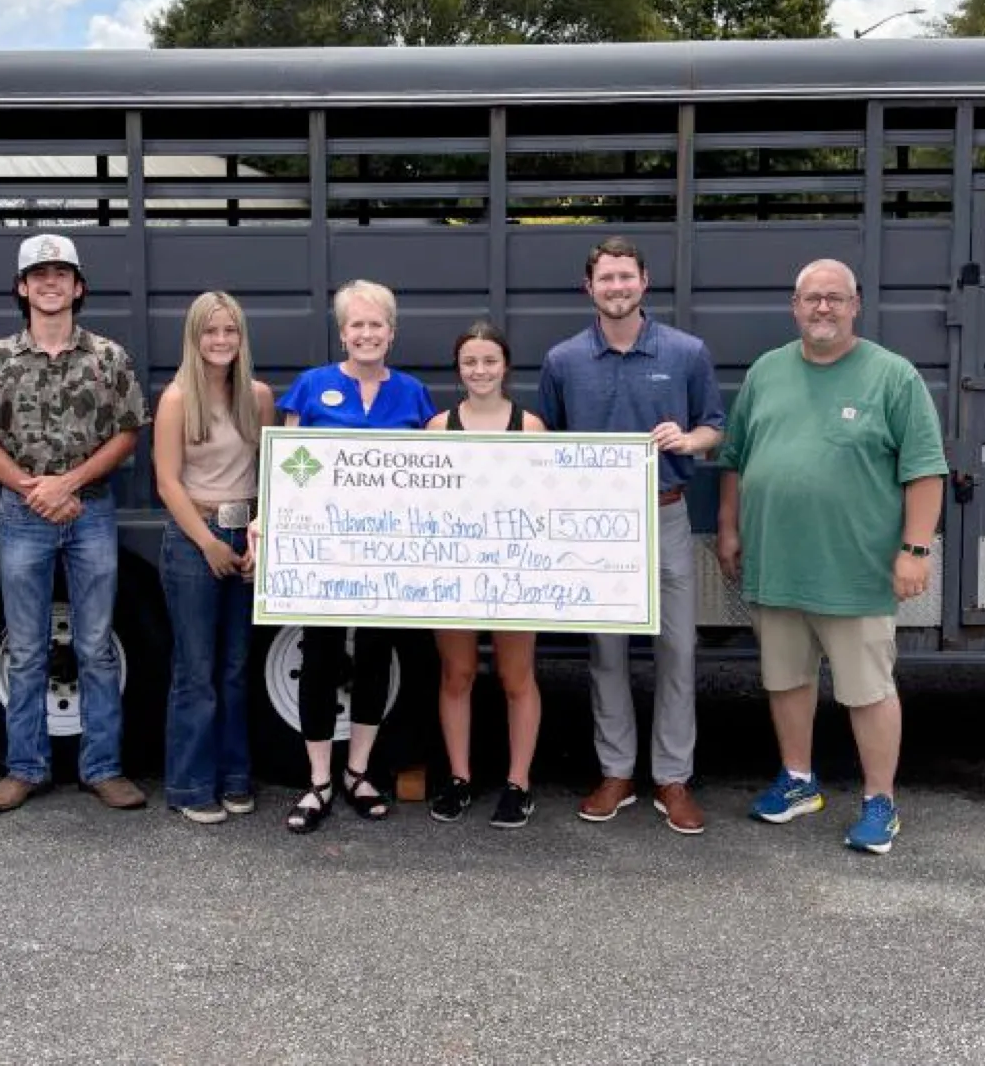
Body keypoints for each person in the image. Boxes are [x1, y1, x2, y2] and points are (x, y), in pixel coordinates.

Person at [716, 259, 947, 855]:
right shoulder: (767, 371)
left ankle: (880, 802)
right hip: (777, 564)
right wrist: (728, 528)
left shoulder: (892, 377)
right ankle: (798, 782)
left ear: (856, 305)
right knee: (786, 681)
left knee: (869, 689)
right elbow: (737, 458)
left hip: (857, 569)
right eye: (812, 298)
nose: (823, 308)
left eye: (835, 298)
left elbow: (925, 471)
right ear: (794, 306)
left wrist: (915, 551)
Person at [538, 236, 725, 835]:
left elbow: (714, 428)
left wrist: (686, 440)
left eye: (626, 277)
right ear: (588, 287)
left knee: (678, 649)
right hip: (597, 527)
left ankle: (672, 777)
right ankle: (616, 772)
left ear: (644, 281)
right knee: (607, 653)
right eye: (605, 278)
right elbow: (550, 446)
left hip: (665, 512)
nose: (616, 287)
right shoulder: (562, 360)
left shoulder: (686, 351)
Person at [0, 233, 148, 813]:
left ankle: (104, 768)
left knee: (94, 645)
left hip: (90, 510)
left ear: (78, 286)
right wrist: (33, 489)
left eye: (61, 274)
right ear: (22, 287)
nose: (50, 282)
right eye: (38, 274)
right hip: (22, 513)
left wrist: (68, 484)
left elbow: (127, 432)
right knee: (26, 648)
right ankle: (24, 768)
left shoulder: (108, 357)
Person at [275, 279, 437, 833]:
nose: (366, 334)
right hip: (323, 550)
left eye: (376, 325)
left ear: (391, 333)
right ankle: (318, 780)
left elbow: (435, 476)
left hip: (388, 552)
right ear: (342, 332)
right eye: (356, 325)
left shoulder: (413, 394)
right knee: (320, 656)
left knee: (374, 655)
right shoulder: (311, 387)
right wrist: (269, 522)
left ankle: (358, 773)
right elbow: (287, 467)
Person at [153, 292, 275, 825]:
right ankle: (189, 784)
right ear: (194, 337)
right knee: (195, 670)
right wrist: (207, 544)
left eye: (230, 331)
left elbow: (270, 471)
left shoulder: (259, 396)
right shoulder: (178, 399)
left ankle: (234, 777)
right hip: (193, 536)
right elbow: (165, 481)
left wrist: (256, 539)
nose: (221, 341)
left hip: (244, 530)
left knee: (235, 668)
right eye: (210, 332)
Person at [426, 321, 547, 830]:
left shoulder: (530, 426)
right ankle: (460, 777)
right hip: (455, 570)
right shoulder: (438, 427)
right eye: (470, 362)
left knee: (516, 677)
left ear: (505, 367)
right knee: (457, 675)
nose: (480, 370)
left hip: (513, 571)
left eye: (489, 361)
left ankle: (518, 783)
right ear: (459, 369)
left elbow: (545, 503)